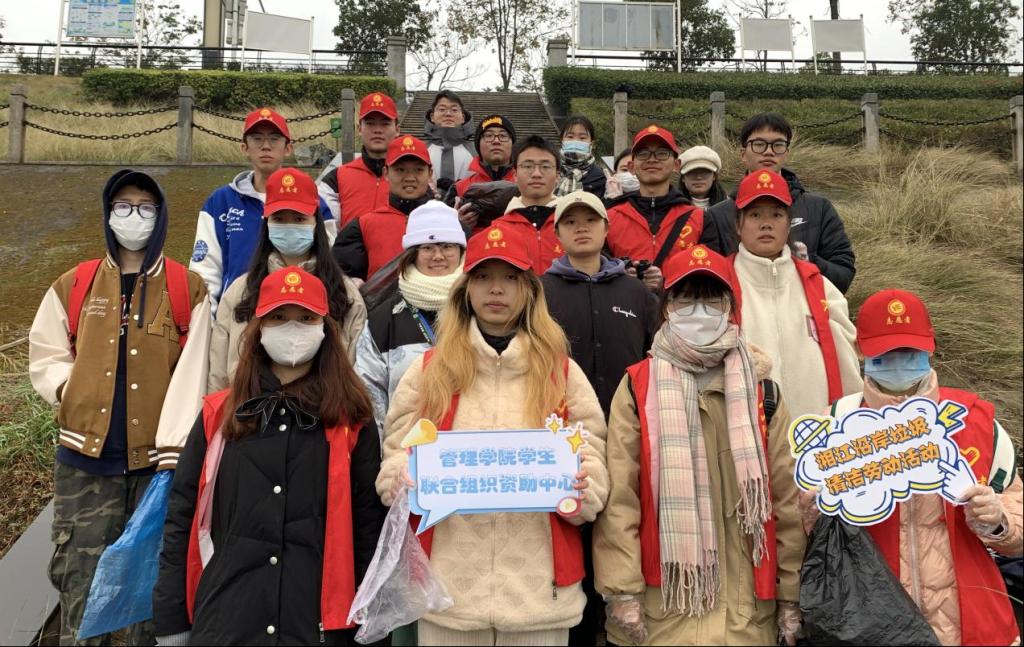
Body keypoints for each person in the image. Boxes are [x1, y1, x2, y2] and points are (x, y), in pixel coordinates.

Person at [376, 222, 609, 646]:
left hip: (538, 594)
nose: (496, 289)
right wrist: (401, 480)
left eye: (510, 278)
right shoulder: (430, 371)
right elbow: (395, 453)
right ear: (466, 288)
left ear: (529, 290)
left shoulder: (560, 372)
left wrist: (583, 488)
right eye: (483, 277)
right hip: (448, 594)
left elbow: (592, 453)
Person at [153, 266, 386, 646]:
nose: (292, 328)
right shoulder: (218, 416)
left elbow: (368, 530)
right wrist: (171, 616)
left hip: (316, 625)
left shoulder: (352, 423)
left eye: (306, 318)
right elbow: (181, 516)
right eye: (278, 317)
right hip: (227, 622)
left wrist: (371, 626)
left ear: (325, 329)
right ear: (259, 328)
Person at [29, 169, 211, 645]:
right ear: (109, 215)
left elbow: (196, 370)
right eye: (123, 206)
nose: (134, 216)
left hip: (156, 467)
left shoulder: (186, 287)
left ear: (161, 215)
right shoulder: (75, 283)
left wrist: (176, 445)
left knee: (148, 589)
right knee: (80, 581)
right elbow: (46, 351)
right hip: (84, 463)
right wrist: (70, 390)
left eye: (145, 207)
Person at [593, 244, 805, 646]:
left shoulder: (763, 393)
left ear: (731, 307)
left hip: (746, 615)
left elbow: (785, 502)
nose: (699, 311)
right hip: (663, 611)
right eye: (686, 299)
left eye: (712, 300)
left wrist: (790, 595)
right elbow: (621, 497)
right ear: (666, 307)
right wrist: (622, 590)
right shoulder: (638, 386)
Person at [800, 289, 1023, 647]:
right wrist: (812, 510)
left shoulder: (977, 422)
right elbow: (815, 537)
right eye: (885, 354)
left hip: (969, 623)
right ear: (861, 351)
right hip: (875, 620)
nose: (899, 362)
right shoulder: (837, 425)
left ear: (930, 348)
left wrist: (999, 521)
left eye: (909, 352)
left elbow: (1016, 528)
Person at [540, 190, 654, 647]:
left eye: (591, 220)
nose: (581, 228)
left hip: (628, 436)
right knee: (573, 530)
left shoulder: (636, 293)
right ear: (558, 232)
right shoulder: (539, 292)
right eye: (571, 222)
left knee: (623, 529)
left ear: (607, 228)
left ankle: (622, 625)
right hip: (565, 440)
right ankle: (579, 630)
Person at [208, 167, 366, 392]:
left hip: (325, 409)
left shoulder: (345, 292)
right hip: (246, 408)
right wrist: (217, 411)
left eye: (299, 218)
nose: (289, 225)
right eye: (279, 219)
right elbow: (218, 370)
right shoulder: (240, 291)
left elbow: (358, 371)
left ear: (316, 222)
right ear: (267, 223)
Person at [728, 169, 861, 419]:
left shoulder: (819, 286)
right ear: (738, 224)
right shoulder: (720, 285)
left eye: (777, 215)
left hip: (818, 432)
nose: (766, 224)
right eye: (755, 215)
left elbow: (849, 365)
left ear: (789, 224)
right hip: (746, 432)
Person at [189, 108, 333, 310]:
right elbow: (205, 270)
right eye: (257, 139)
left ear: (288, 148)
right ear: (244, 148)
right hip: (235, 313)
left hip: (298, 313)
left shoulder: (315, 202)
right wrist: (208, 320)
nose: (266, 146)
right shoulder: (220, 202)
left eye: (274, 139)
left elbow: (329, 261)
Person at [703, 112, 856, 293]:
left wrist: (807, 262)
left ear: (786, 153)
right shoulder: (717, 215)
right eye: (759, 144)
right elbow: (708, 284)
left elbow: (843, 276)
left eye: (778, 145)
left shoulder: (819, 208)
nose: (769, 151)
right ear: (743, 154)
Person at [356, 200, 466, 431]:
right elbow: (369, 394)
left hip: (468, 446)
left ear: (461, 250)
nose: (438, 256)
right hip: (403, 445)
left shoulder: (480, 309)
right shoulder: (383, 319)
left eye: (447, 246)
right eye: (427, 248)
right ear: (413, 254)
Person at [606, 126, 706, 293]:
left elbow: (710, 277)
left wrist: (666, 283)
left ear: (676, 165)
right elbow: (595, 271)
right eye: (643, 154)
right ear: (631, 166)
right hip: (624, 306)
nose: (652, 159)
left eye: (661, 153)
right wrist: (620, 276)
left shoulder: (699, 218)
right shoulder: (609, 219)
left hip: (678, 307)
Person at [332, 135, 434, 281]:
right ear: (386, 173)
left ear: (430, 174)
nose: (410, 178)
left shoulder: (450, 223)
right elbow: (341, 281)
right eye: (400, 170)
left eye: (418, 170)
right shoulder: (361, 227)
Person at [318, 92, 400, 225]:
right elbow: (326, 231)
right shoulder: (335, 179)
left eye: (385, 124)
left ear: (397, 129)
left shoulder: (413, 179)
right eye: (370, 123)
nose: (377, 130)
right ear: (359, 129)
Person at [490, 135, 562, 274]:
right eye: (528, 166)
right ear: (515, 175)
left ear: (558, 175)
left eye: (545, 166)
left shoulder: (570, 224)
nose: (536, 174)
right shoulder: (498, 228)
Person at [452, 114, 516, 203]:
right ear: (478, 145)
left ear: (512, 144)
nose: (496, 141)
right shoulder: (459, 188)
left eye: (503, 135)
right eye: (489, 135)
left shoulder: (527, 185)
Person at [423, 90, 475, 194]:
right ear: (432, 116)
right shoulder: (420, 149)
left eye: (454, 110)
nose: (448, 114)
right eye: (442, 109)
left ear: (463, 118)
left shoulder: (477, 150)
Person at [556, 115, 607, 199]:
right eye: (570, 137)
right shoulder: (551, 169)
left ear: (591, 143)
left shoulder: (600, 177)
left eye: (582, 138)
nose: (575, 141)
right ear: (562, 140)